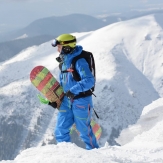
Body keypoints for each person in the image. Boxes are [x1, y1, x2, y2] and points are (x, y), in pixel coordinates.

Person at [38, 34, 99, 150]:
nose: (57, 50)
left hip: (81, 100)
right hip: (66, 100)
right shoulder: (64, 61)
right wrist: (55, 100)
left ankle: (95, 153)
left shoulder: (79, 61)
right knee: (60, 130)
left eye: (59, 47)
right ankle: (66, 153)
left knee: (83, 130)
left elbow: (89, 80)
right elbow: (64, 83)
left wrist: (73, 90)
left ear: (67, 48)